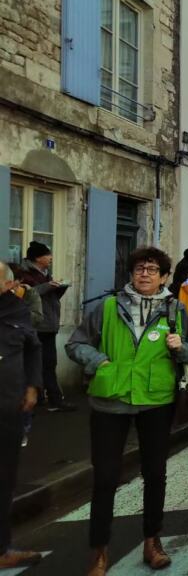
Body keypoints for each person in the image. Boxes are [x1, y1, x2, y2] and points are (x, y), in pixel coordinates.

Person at [65, 247, 188, 575]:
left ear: (165, 277)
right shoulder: (108, 307)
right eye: (140, 268)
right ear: (131, 273)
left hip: (156, 402)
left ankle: (152, 541)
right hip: (109, 402)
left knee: (155, 475)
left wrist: (180, 347)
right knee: (105, 478)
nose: (145, 274)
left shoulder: (176, 310)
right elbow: (75, 344)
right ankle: (98, 550)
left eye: (153, 270)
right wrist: (97, 361)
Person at [0, 262, 43, 569]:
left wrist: (33, 386)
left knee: (4, 478)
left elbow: (33, 348)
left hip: (8, 405)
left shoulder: (17, 310)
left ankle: (2, 549)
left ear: (7, 284)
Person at [18, 241, 74, 412]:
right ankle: (46, 400)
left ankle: (49, 400)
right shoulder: (25, 273)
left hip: (49, 325)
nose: (51, 258)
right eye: (47, 255)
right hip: (36, 326)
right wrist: (48, 286)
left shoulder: (45, 274)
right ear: (37, 257)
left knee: (48, 364)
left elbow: (51, 298)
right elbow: (28, 294)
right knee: (37, 364)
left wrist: (59, 288)